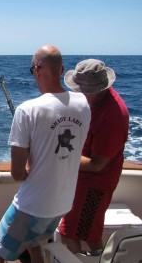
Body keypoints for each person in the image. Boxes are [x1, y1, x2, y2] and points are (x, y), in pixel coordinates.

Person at [0, 45, 91, 263]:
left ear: (37, 69)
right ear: (62, 70)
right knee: (36, 245)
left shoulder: (27, 110)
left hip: (32, 206)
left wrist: (26, 170)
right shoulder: (83, 103)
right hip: (62, 204)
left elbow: (17, 173)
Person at [59, 59, 129, 255]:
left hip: (94, 186)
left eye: (81, 89)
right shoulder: (95, 101)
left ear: (97, 89)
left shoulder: (112, 116)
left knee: (71, 235)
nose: (77, 92)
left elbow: (97, 164)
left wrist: (60, 155)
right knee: (88, 232)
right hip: (83, 181)